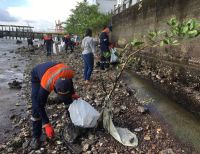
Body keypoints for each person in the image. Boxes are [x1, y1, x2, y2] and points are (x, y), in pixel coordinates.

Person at [30, 61, 80, 149]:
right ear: (54, 88)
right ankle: (35, 136)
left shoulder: (69, 73)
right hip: (37, 76)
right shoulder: (47, 84)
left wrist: (72, 93)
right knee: (36, 107)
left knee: (68, 99)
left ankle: (73, 122)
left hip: (57, 68)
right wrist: (47, 124)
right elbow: (40, 105)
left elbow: (70, 84)